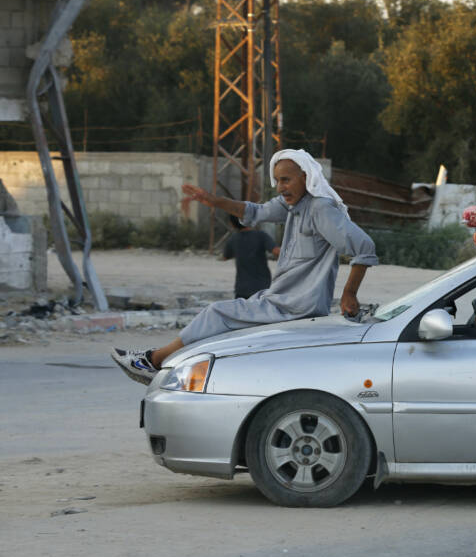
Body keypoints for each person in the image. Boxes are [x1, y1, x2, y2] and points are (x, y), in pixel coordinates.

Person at [111, 149, 378, 384]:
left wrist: (349, 293)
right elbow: (256, 211)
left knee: (216, 313)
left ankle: (153, 361)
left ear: (306, 178)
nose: (280, 187)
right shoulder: (292, 206)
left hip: (296, 305)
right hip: (278, 298)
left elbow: (363, 246)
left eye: (286, 179)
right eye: (277, 181)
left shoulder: (320, 208)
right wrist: (215, 201)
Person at [223, 214, 280, 299]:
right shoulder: (261, 236)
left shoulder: (233, 239)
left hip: (241, 290)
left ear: (232, 224)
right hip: (262, 288)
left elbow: (225, 257)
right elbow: (276, 251)